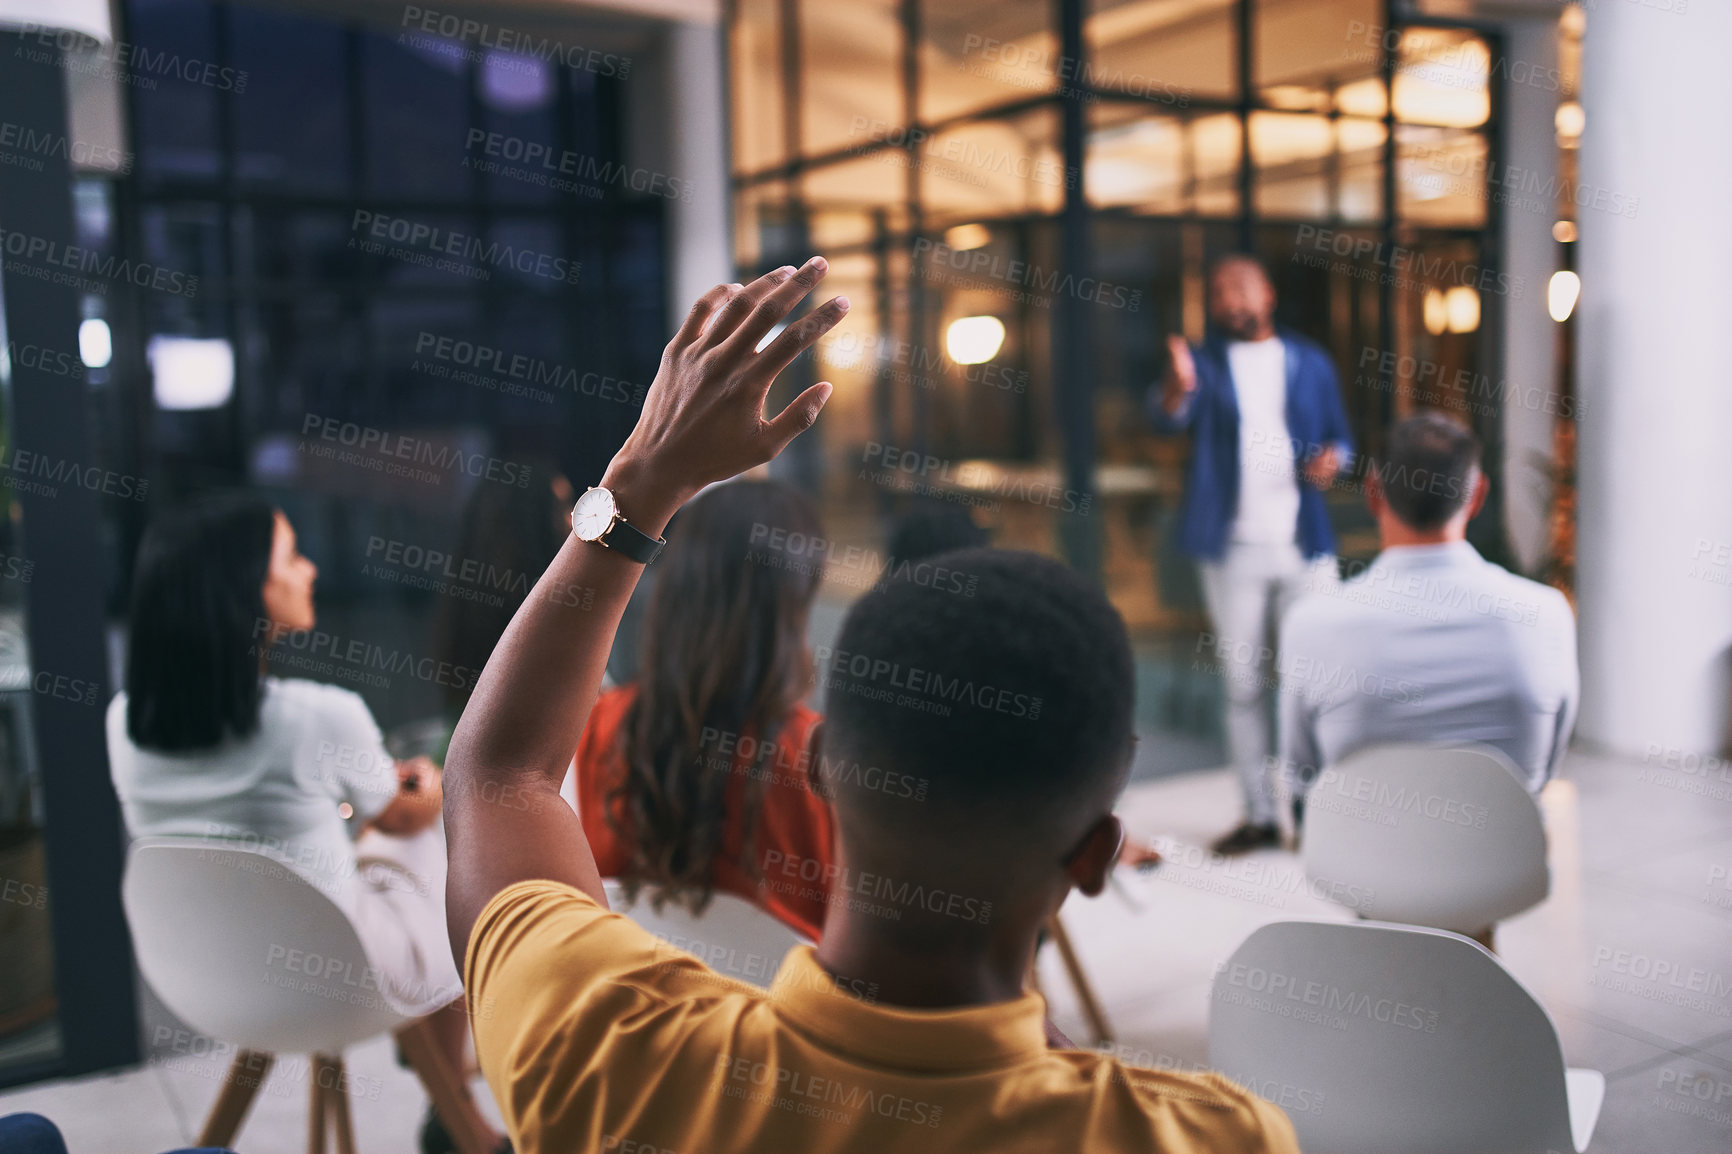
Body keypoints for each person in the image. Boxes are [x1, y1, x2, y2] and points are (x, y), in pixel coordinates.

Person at [442, 259, 1299, 1153]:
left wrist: (641, 481)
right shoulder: (1214, 1136)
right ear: (1092, 858)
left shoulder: (615, 1055)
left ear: (824, 766)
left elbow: (500, 775)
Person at [106, 495, 501, 1154]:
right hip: (342, 978)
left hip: (210, 980)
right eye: (290, 558)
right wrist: (429, 787)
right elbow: (403, 814)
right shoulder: (320, 716)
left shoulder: (122, 724)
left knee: (352, 852)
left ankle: (458, 1110)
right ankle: (466, 1112)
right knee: (427, 835)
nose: (310, 570)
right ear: (243, 594)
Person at [1150, 254, 1353, 855]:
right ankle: (1260, 814)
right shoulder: (1203, 365)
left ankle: (1315, 809)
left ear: (1267, 294)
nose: (1229, 300)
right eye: (1218, 292)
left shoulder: (1309, 361)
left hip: (1305, 546)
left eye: (1240, 287)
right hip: (1231, 550)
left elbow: (1342, 436)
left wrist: (1333, 459)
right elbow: (1167, 419)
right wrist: (1175, 388)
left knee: (1314, 682)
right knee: (1241, 686)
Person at [569, 479, 834, 940]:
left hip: (636, 1000)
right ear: (791, 612)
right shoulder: (821, 760)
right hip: (775, 1010)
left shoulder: (598, 726)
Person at [1278, 413, 1579, 805]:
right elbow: (1542, 773)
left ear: (1373, 493)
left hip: (1358, 863)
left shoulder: (1310, 624)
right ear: (1477, 497)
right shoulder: (1547, 614)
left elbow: (1303, 783)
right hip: (1501, 863)